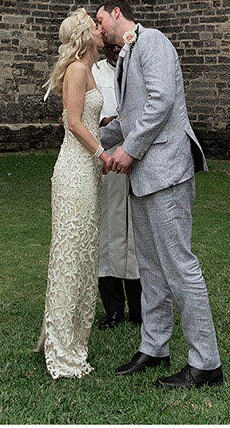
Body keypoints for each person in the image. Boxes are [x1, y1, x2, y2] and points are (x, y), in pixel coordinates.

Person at [97, 0, 224, 388]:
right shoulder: (125, 56)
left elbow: (161, 101)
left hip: (167, 172)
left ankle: (206, 362)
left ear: (117, 13)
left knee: (179, 266)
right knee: (150, 268)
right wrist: (91, 138)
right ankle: (154, 346)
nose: (98, 30)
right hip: (143, 179)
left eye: (100, 21)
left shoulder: (152, 42)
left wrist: (129, 149)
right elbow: (130, 116)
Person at [35, 8, 105, 378]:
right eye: (95, 26)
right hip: (74, 171)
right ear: (84, 35)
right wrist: (102, 153)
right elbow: (74, 122)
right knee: (70, 258)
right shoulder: (77, 68)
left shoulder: (88, 69)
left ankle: (73, 339)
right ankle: (61, 350)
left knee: (84, 258)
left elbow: (90, 117)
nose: (100, 30)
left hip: (87, 174)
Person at [92, 31, 142, 331]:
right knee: (108, 234)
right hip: (105, 159)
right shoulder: (93, 73)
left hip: (136, 158)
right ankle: (112, 308)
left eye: (116, 45)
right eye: (107, 45)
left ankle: (140, 307)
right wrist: (103, 123)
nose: (112, 50)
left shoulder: (138, 67)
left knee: (136, 234)